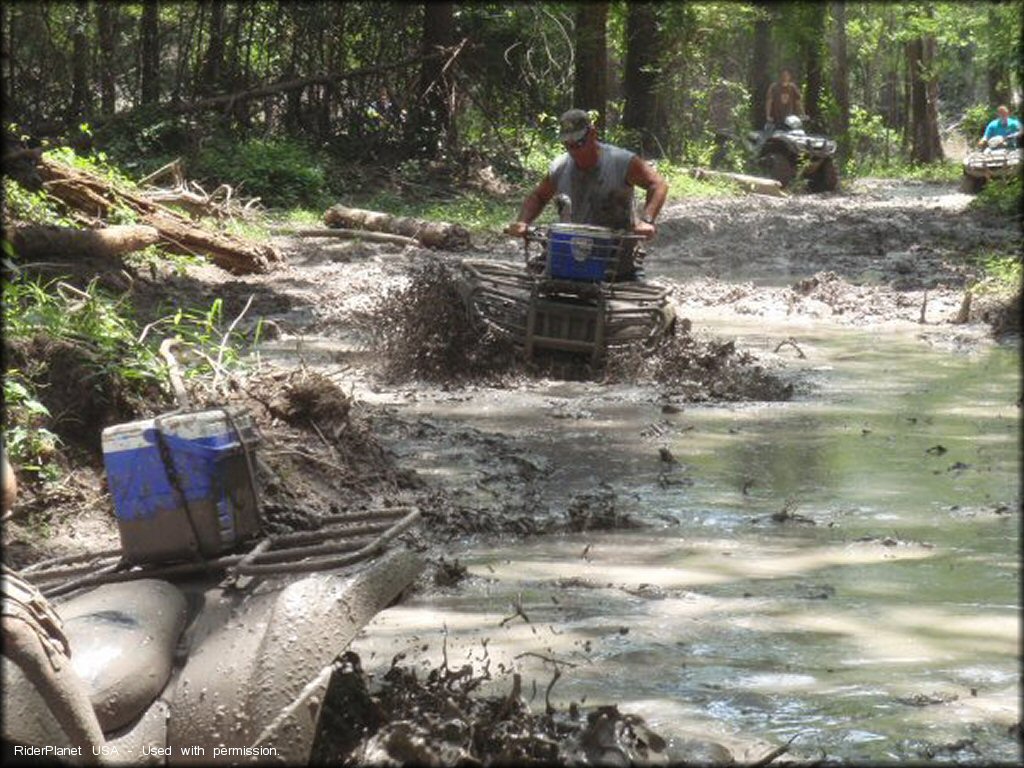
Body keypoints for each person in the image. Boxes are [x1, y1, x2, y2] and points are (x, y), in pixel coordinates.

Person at [505, 108, 668, 244]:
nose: (574, 150)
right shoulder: (560, 167)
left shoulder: (621, 161)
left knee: (629, 279)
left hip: (615, 252)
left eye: (579, 143)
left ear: (592, 134)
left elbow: (658, 184)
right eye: (568, 145)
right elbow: (539, 196)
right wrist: (523, 222)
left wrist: (647, 221)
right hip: (570, 248)